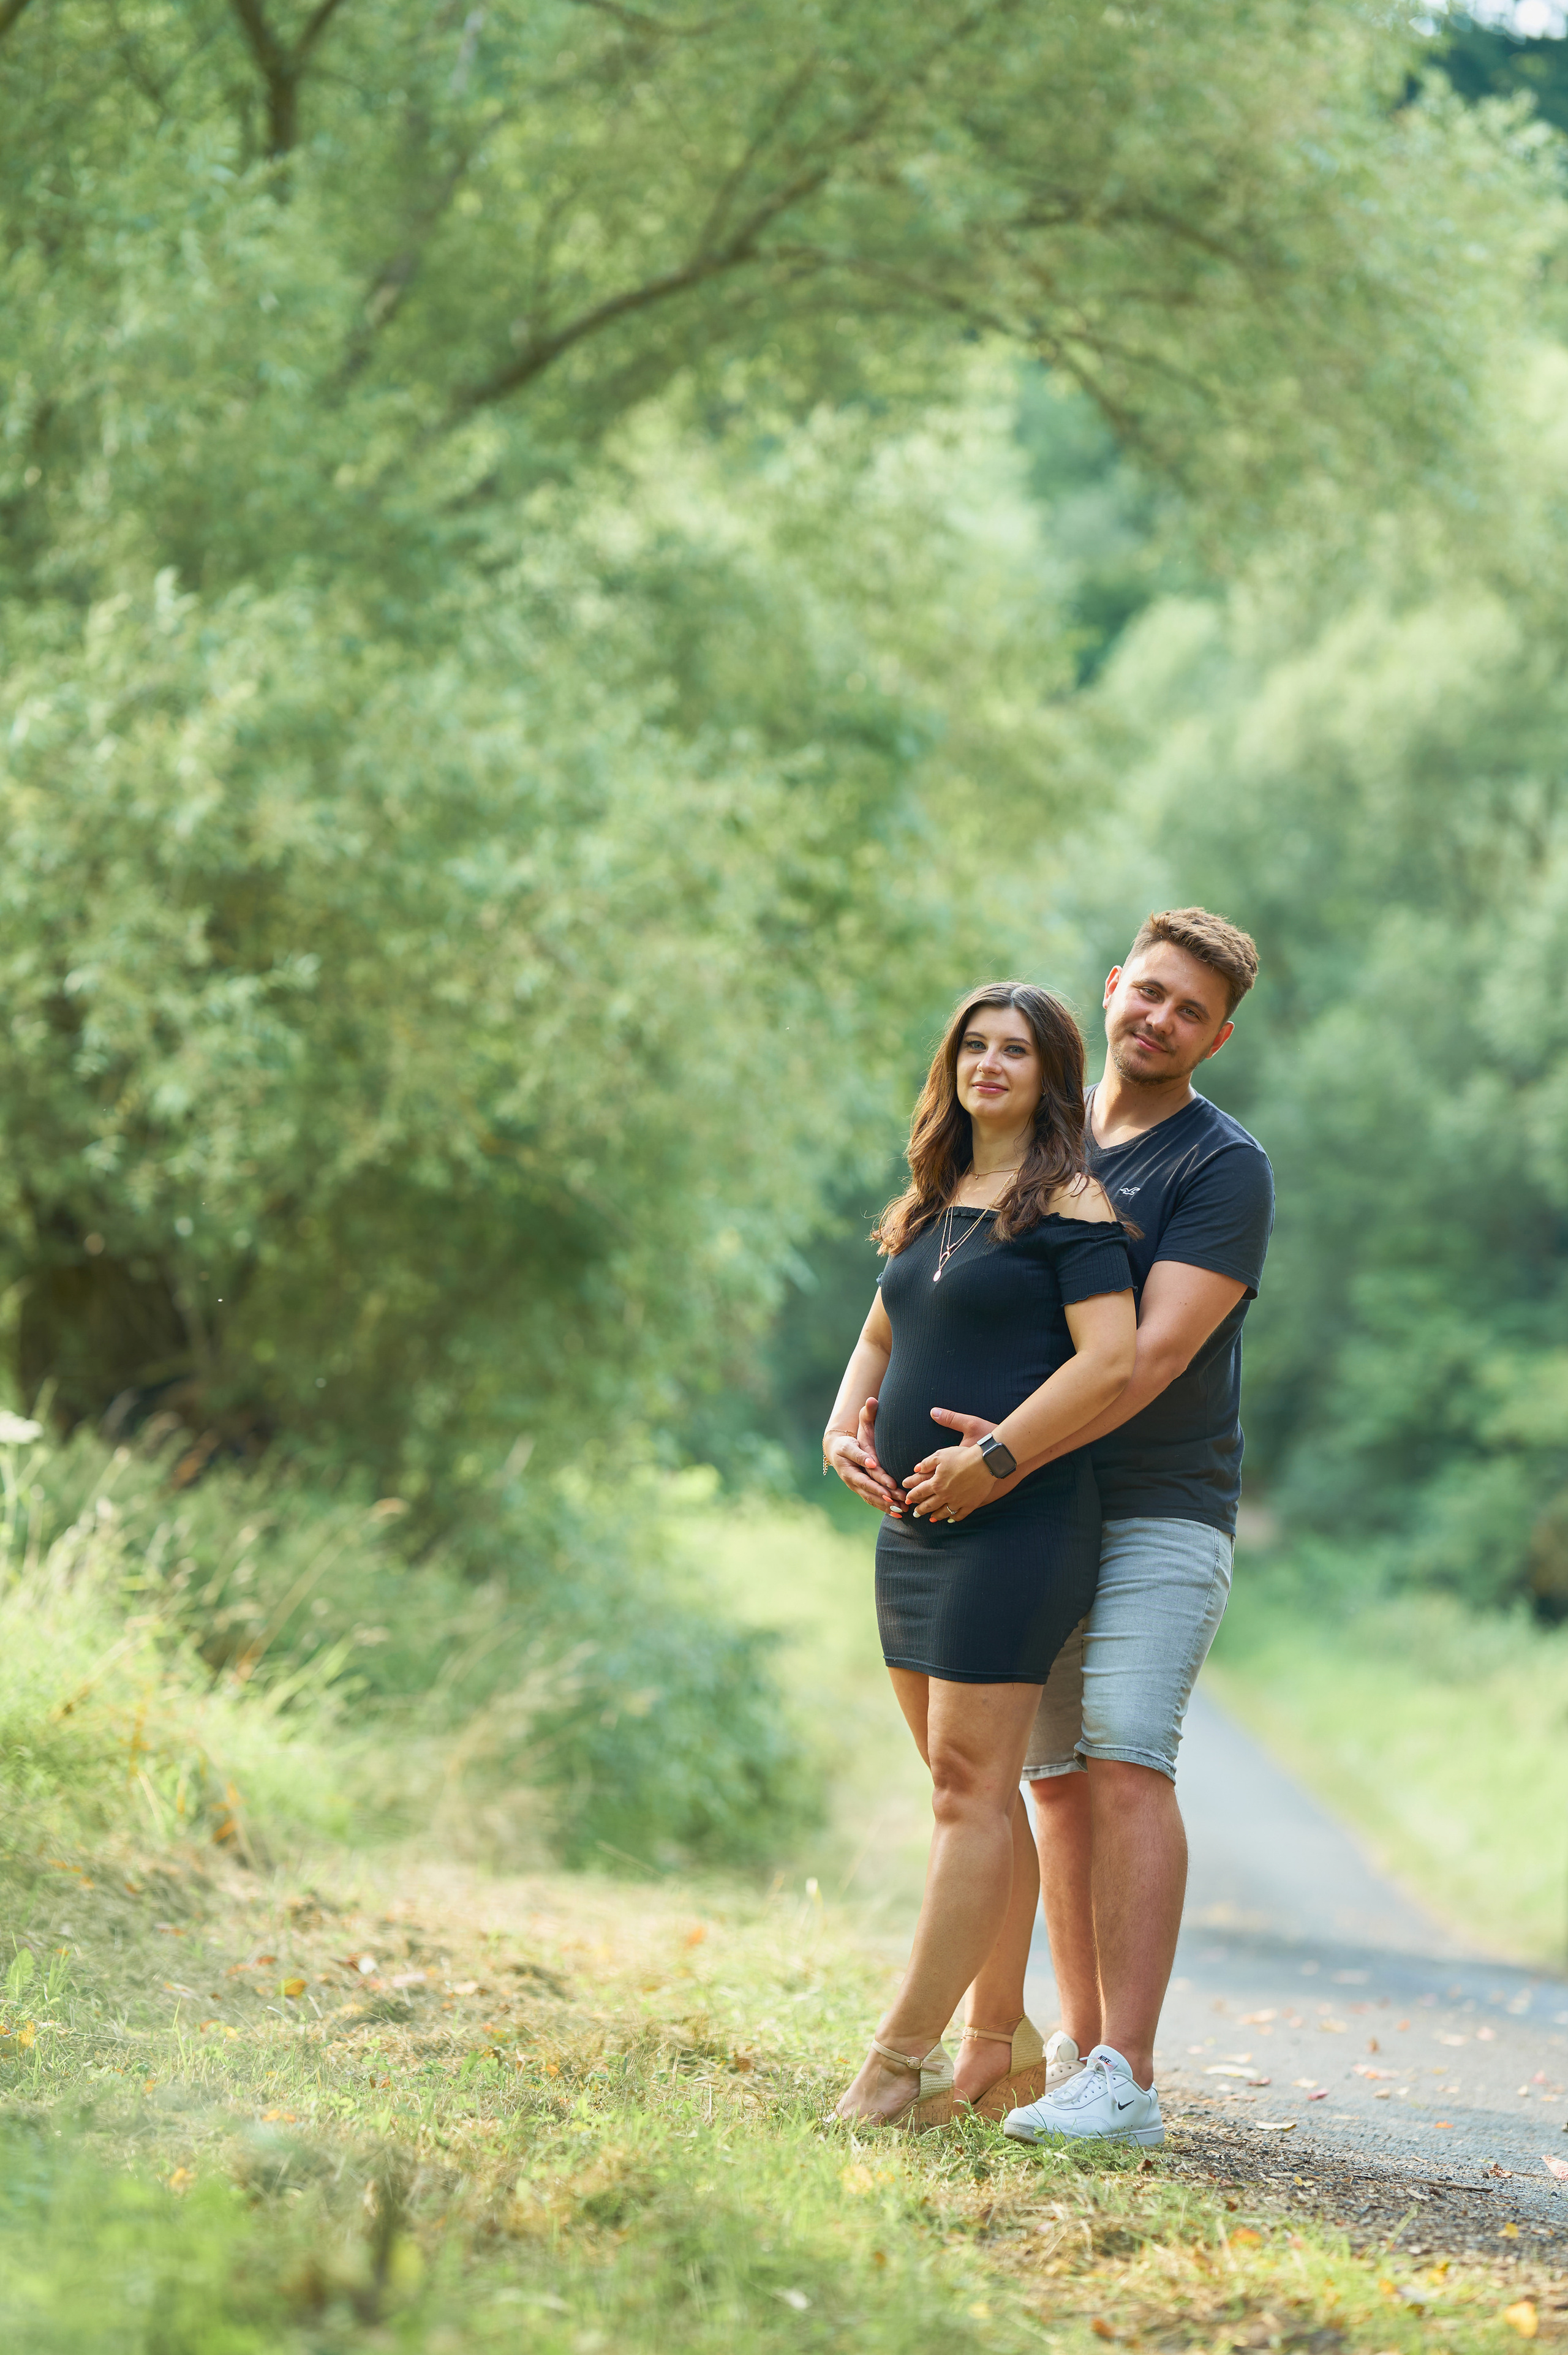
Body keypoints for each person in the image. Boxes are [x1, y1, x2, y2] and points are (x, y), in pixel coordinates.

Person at [850, 908, 1273, 2148]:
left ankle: (1125, 2077)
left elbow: (1140, 1360)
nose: (1157, 1019)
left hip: (1151, 1501)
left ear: (1217, 1035)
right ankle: (1064, 2056)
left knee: (1126, 1754)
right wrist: (860, 1415)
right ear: (1110, 988)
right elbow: (926, 1289)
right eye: (1146, 993)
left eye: (1186, 1010)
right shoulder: (1039, 1136)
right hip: (1030, 1503)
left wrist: (998, 1453)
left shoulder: (1218, 1165)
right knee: (1043, 1785)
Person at [823, 982, 1136, 2130]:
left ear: (1054, 1075)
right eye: (973, 1045)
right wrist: (843, 1422)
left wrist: (996, 1458)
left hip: (1017, 1523)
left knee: (968, 1791)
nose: (989, 1063)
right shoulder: (931, 1199)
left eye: (1015, 1049)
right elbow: (880, 1331)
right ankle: (990, 2055)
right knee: (972, 1796)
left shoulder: (1076, 1206)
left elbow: (1110, 1361)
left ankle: (896, 2066)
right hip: (910, 1528)